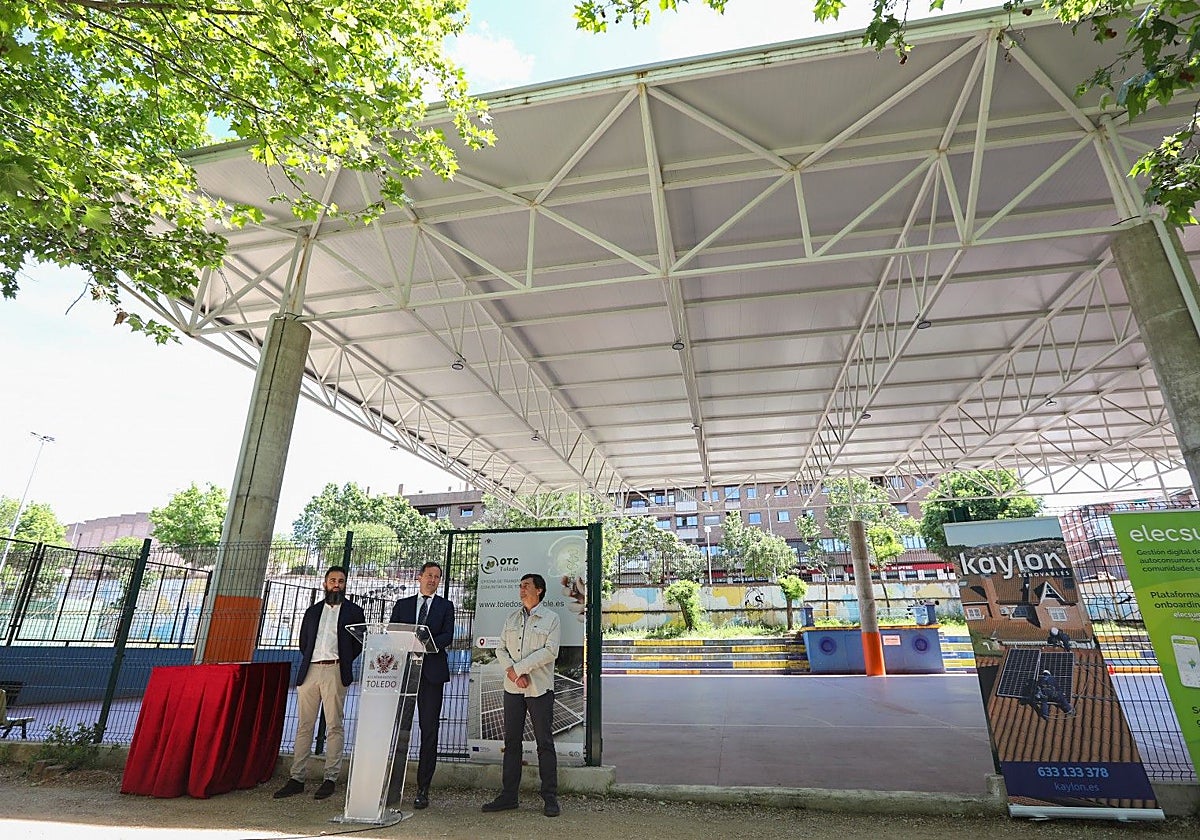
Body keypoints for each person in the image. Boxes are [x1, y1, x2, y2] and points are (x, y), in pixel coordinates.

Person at [274, 566, 366, 801]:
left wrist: (343, 661)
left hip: (335, 669)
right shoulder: (312, 612)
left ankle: (330, 778)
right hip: (311, 671)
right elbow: (304, 642)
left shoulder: (354, 612)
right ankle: (297, 778)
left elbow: (358, 644)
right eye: (332, 580)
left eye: (341, 581)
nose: (337, 584)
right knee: (305, 725)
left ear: (345, 585)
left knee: (334, 725)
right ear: (325, 584)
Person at [482, 573, 562, 818]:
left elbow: (550, 652)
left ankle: (550, 797)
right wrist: (514, 674)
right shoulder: (512, 617)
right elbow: (501, 648)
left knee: (544, 743)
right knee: (512, 743)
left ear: (539, 590)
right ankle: (509, 796)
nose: (521, 589)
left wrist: (519, 669)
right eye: (520, 586)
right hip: (513, 688)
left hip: (539, 689)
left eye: (526, 586)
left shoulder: (551, 618)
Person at [389, 561, 456, 810]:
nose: (433, 580)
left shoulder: (445, 606)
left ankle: (423, 789)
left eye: (437, 577)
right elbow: (393, 631)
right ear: (419, 577)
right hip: (404, 674)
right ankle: (392, 786)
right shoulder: (402, 605)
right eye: (429, 575)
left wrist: (424, 645)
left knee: (429, 731)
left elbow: (448, 635)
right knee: (399, 729)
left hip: (431, 676)